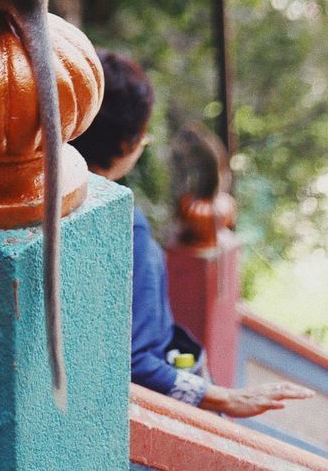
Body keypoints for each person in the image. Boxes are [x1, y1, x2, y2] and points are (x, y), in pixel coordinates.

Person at [73, 51, 313, 418]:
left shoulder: (41, 196)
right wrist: (220, 398)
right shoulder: (123, 227)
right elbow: (135, 362)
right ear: (128, 144)